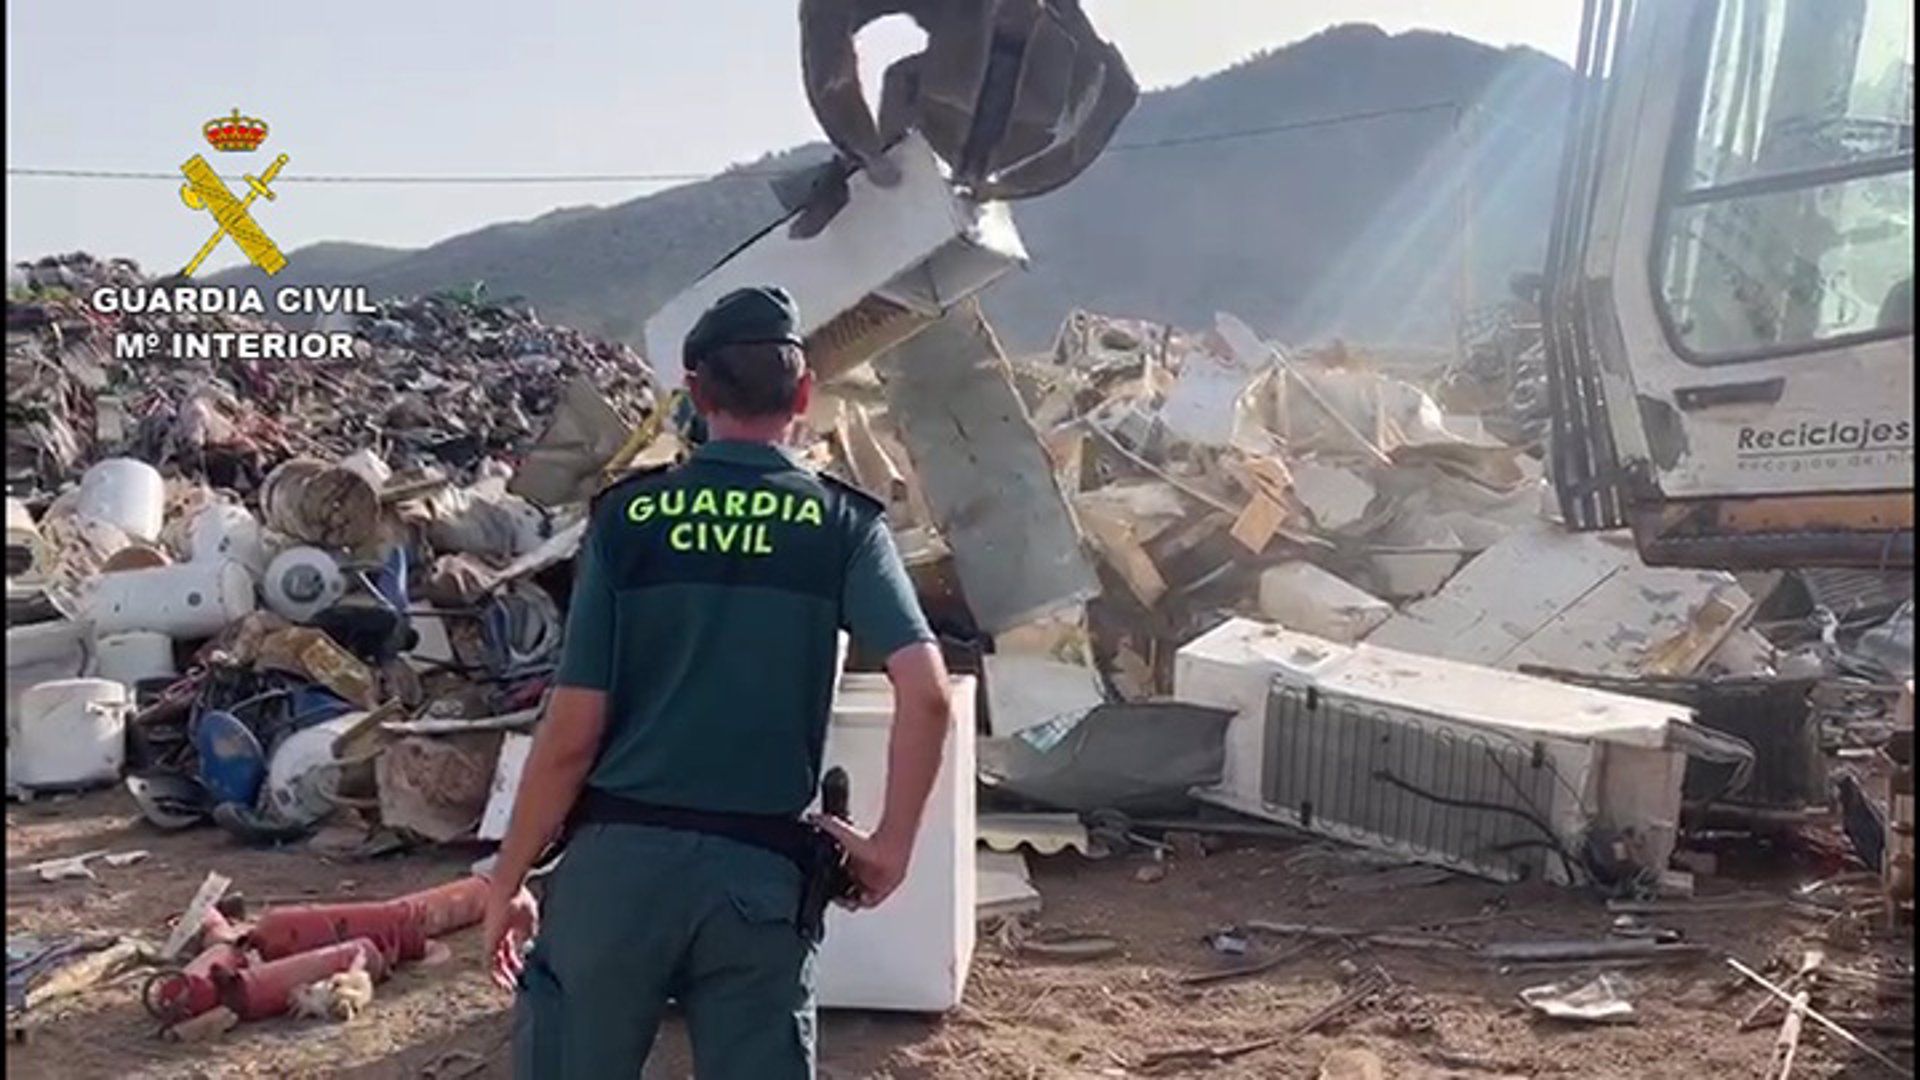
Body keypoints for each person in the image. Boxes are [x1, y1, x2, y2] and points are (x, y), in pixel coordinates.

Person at [482, 285, 953, 1079]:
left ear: (695, 396)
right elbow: (930, 693)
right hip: (759, 882)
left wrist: (508, 879)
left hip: (615, 874)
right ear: (804, 395)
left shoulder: (627, 520)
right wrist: (891, 846)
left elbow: (570, 733)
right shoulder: (843, 525)